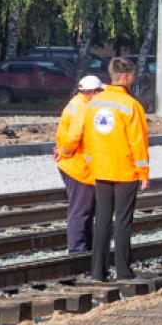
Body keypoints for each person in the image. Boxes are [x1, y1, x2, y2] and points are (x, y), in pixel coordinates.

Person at [64, 57, 151, 282]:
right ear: (124, 77)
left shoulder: (93, 104)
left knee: (101, 219)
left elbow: (89, 139)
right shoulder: (131, 106)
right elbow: (138, 142)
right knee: (122, 220)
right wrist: (144, 173)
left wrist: (92, 165)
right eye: (132, 76)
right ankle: (123, 270)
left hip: (101, 171)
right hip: (124, 171)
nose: (133, 79)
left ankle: (98, 272)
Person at [53, 75, 103, 254]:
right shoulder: (83, 108)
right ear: (92, 92)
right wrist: (65, 152)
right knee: (81, 210)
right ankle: (77, 250)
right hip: (77, 167)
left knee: (85, 209)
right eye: (99, 91)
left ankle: (85, 248)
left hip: (76, 165)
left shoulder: (78, 103)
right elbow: (74, 135)